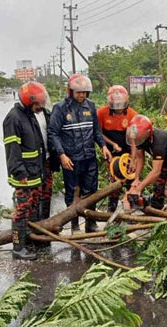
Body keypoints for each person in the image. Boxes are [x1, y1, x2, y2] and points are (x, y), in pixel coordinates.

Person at [48, 73, 112, 233]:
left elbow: (96, 130)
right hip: (71, 159)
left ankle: (91, 223)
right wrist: (61, 154)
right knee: (72, 192)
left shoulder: (90, 106)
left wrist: (103, 146)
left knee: (91, 191)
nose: (82, 95)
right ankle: (74, 225)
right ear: (70, 91)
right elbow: (53, 133)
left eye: (85, 92)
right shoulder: (60, 108)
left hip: (89, 157)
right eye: (79, 92)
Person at [3, 81, 50, 260]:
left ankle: (31, 240)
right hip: (24, 175)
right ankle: (18, 247)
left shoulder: (29, 115)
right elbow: (12, 149)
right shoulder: (13, 118)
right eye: (37, 104)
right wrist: (19, 172)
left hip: (35, 172)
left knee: (34, 208)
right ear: (28, 100)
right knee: (22, 211)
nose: (39, 108)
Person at [125, 114, 167, 211]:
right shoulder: (139, 139)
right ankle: (155, 215)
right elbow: (140, 159)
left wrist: (139, 188)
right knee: (157, 191)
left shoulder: (158, 141)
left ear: (147, 134)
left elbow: (156, 172)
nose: (136, 141)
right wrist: (136, 179)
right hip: (164, 163)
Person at [97, 85, 138, 212]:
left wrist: (134, 158)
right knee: (115, 179)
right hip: (111, 151)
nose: (119, 109)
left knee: (131, 179)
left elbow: (134, 139)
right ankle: (112, 209)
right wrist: (111, 144)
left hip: (127, 149)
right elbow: (98, 133)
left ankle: (131, 209)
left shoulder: (132, 114)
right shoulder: (101, 113)